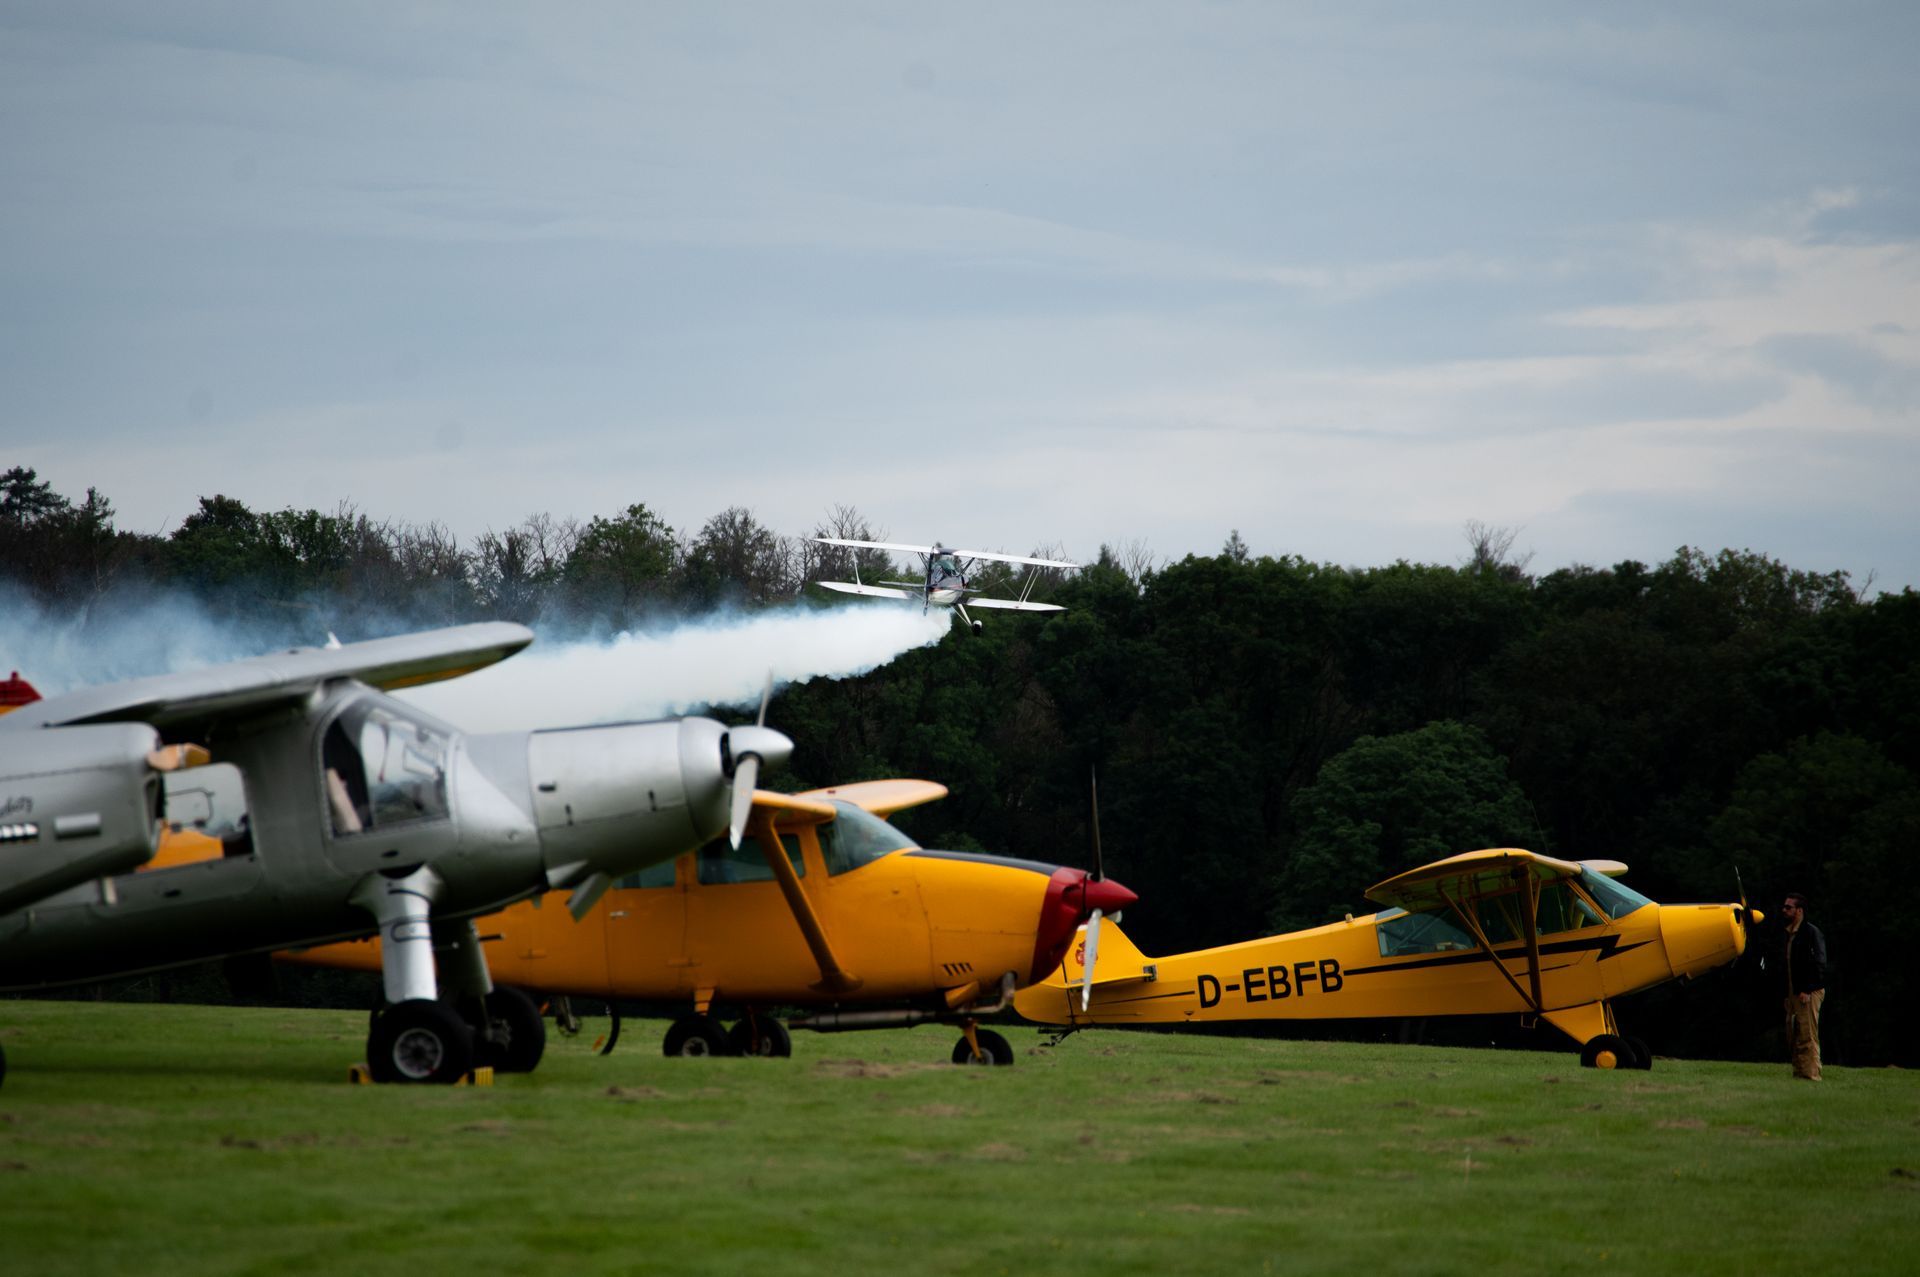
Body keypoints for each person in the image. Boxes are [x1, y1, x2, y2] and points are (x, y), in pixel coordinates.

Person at [1777, 892, 1827, 1081]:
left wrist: (1808, 988)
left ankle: (1812, 1074)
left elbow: (1819, 964)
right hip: (1793, 993)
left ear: (1799, 910)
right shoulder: (1788, 933)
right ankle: (1799, 1072)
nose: (1784, 910)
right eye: (1784, 907)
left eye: (1788, 907)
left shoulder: (1810, 933)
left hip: (1808, 992)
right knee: (1794, 1034)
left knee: (1807, 1034)